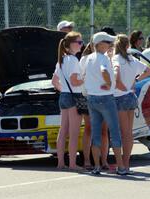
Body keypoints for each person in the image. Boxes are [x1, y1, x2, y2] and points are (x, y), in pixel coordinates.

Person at [84, 32, 126, 175]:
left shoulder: (87, 58)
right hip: (106, 98)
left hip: (91, 98)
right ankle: (121, 167)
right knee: (114, 132)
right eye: (107, 43)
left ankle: (96, 167)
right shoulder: (104, 58)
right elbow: (104, 71)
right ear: (100, 44)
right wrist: (108, 84)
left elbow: (81, 75)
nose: (110, 45)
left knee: (95, 133)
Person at [112, 34, 150, 173]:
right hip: (130, 96)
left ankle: (121, 165)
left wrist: (122, 85)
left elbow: (115, 77)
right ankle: (126, 163)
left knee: (119, 133)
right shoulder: (132, 59)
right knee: (128, 133)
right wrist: (136, 80)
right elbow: (149, 70)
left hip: (119, 97)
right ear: (128, 45)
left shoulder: (114, 59)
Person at [52, 31, 84, 170]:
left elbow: (54, 81)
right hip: (73, 97)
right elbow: (75, 81)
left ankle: (61, 163)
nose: (81, 45)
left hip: (64, 96)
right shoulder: (74, 60)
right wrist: (86, 79)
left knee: (63, 130)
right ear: (71, 45)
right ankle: (72, 164)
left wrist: (64, 89)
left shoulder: (61, 60)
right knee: (74, 132)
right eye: (79, 42)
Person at [79, 40, 110, 170]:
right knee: (89, 129)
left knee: (103, 130)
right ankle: (87, 160)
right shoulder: (85, 59)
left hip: (103, 95)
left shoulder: (106, 58)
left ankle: (104, 161)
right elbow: (80, 77)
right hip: (88, 96)